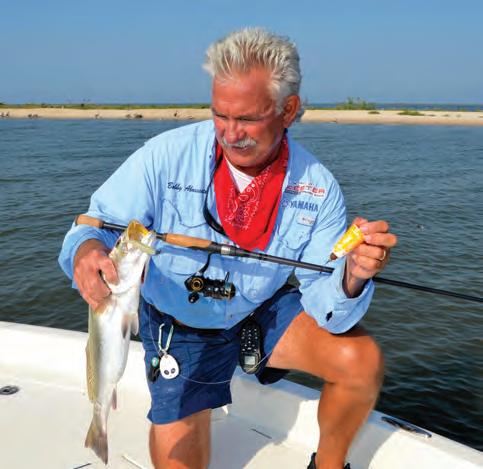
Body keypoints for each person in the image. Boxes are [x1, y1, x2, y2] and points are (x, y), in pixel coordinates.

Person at [59, 28, 397, 469]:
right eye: (220, 114)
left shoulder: (318, 187)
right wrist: (86, 252)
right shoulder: (164, 156)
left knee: (360, 361)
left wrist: (352, 276)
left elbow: (325, 304)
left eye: (248, 119)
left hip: (259, 310)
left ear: (288, 109)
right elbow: (94, 224)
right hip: (179, 322)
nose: (230, 133)